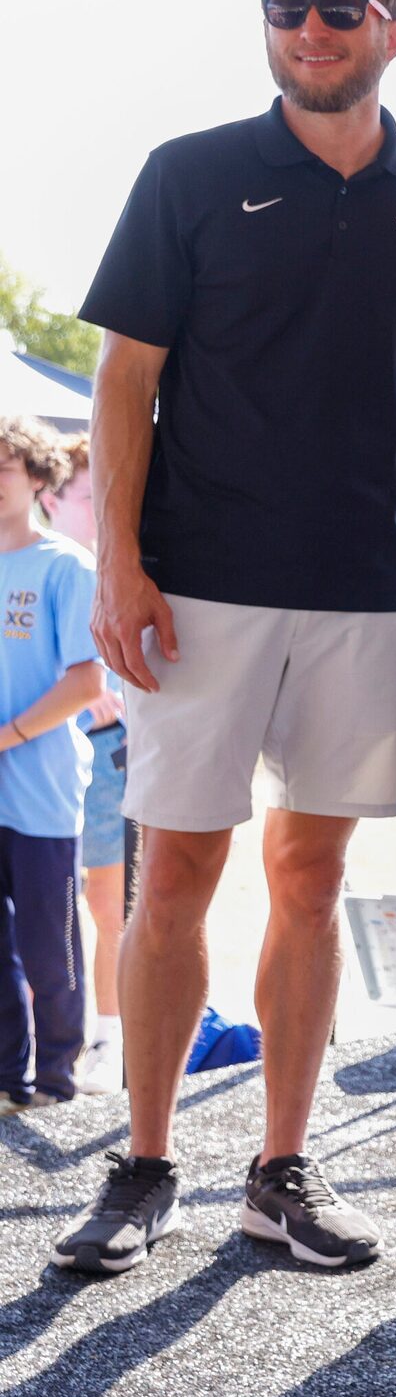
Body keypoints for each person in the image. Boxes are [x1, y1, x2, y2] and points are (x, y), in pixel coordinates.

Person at [55, 0, 396, 1275]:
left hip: (358, 581)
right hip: (196, 581)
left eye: (337, 9)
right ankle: (144, 1161)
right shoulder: (192, 171)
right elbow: (125, 376)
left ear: (391, 28)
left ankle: (279, 1170)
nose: (309, 28)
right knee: (175, 872)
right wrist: (118, 560)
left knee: (315, 875)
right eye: (286, 9)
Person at [0, 418, 103, 1113]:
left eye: (3, 467)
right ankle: (9, 1078)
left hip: (39, 793)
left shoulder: (65, 566)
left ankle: (59, 1081)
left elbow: (87, 683)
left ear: (38, 480)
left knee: (49, 948)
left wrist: (7, 735)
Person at [43, 438, 129, 1097]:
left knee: (109, 903)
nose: (102, 505)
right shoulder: (38, 567)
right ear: (50, 499)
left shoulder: (123, 563)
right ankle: (48, 1042)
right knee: (42, 905)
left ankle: (109, 1039)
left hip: (109, 755)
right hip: (36, 756)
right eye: (86, 493)